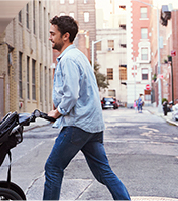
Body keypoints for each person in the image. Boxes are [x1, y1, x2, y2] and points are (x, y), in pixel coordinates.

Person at [44, 15, 130, 200]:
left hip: (78, 124)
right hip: (93, 125)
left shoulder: (68, 59)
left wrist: (57, 112)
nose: (50, 37)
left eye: (53, 33)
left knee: (53, 168)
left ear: (65, 36)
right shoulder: (79, 56)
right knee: (103, 172)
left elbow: (71, 95)